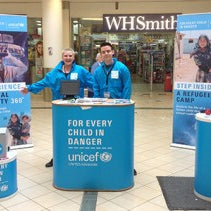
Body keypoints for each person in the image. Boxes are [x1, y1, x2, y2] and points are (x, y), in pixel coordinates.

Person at [21, 48, 94, 167]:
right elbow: (43, 83)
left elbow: (93, 83)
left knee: (77, 134)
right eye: (66, 56)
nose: (68, 58)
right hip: (61, 109)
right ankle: (57, 157)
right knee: (60, 133)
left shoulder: (81, 71)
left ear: (74, 57)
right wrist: (29, 88)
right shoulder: (54, 73)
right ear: (62, 57)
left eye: (70, 56)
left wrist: (100, 96)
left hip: (76, 108)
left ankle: (79, 155)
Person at [93, 42, 137, 175]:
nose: (106, 54)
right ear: (100, 54)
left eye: (108, 51)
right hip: (104, 108)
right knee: (105, 136)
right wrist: (97, 103)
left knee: (121, 136)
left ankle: (126, 164)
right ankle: (106, 161)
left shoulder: (122, 68)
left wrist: (123, 106)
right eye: (103, 52)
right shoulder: (98, 71)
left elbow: (127, 87)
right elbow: (95, 89)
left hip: (118, 108)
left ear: (113, 52)